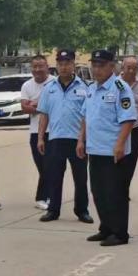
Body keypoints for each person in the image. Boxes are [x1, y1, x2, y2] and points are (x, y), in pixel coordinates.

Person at [77, 50, 138, 246]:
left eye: (101, 65)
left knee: (116, 194)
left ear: (112, 66)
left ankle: (120, 234)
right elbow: (86, 117)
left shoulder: (120, 88)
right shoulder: (91, 89)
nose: (97, 69)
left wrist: (120, 145)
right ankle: (106, 228)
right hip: (95, 149)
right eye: (94, 65)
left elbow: (128, 120)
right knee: (98, 192)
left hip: (113, 151)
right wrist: (81, 140)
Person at [36, 50, 94, 224]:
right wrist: (40, 138)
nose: (63, 67)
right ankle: (53, 210)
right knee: (54, 177)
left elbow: (86, 116)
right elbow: (44, 115)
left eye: (67, 63)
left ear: (73, 64)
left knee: (80, 178)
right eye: (60, 64)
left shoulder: (84, 87)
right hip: (55, 139)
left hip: (77, 140)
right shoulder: (49, 88)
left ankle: (82, 210)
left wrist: (82, 139)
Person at [20, 54, 53, 210]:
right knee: (42, 166)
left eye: (41, 66)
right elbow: (24, 107)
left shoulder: (54, 82)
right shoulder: (27, 86)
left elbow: (54, 105)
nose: (38, 69)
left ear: (47, 66)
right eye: (35, 66)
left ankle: (43, 197)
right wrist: (40, 106)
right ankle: (48, 196)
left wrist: (36, 104)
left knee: (51, 166)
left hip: (53, 131)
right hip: (35, 132)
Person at [121, 56, 138, 184]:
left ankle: (124, 189)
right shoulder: (115, 84)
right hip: (118, 129)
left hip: (136, 129)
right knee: (119, 160)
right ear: (122, 68)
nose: (131, 71)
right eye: (129, 68)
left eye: (135, 68)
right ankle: (118, 188)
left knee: (131, 161)